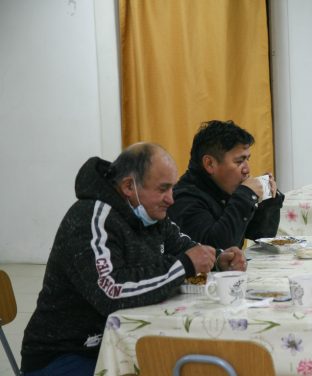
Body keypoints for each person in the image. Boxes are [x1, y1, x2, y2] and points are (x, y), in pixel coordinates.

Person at [20, 143, 246, 375]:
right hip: (67, 354)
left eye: (172, 188)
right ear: (129, 186)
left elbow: (184, 247)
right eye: (163, 189)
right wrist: (184, 265)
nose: (171, 199)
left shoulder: (151, 213)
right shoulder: (90, 218)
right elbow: (112, 292)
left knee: (191, 361)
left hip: (121, 341)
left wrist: (218, 260)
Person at [168, 120, 284, 249]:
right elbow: (218, 251)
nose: (247, 170)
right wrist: (245, 197)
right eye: (239, 161)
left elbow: (261, 235)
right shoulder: (184, 199)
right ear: (210, 164)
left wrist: (268, 200)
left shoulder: (223, 187)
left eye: (247, 159)